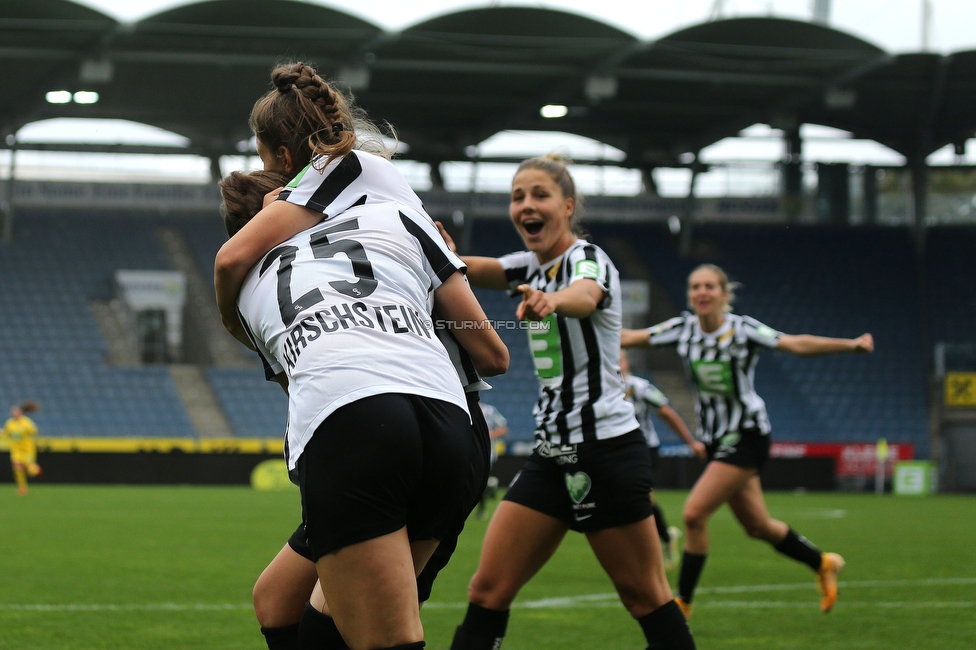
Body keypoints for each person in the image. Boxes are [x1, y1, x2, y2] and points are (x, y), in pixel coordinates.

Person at [215, 62, 509, 650]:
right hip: (449, 418)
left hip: (364, 418)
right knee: (288, 601)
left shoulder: (347, 186)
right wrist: (410, 314)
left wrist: (241, 323)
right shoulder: (393, 214)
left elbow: (229, 260)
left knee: (374, 637)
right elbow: (491, 347)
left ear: (283, 156)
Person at [438, 154, 695, 650]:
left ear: (567, 206)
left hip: (605, 449)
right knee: (487, 590)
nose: (526, 206)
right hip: (552, 452)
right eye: (517, 197)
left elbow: (584, 295)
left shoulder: (586, 259)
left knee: (645, 596)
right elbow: (479, 269)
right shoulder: (531, 264)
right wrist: (430, 251)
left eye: (539, 195)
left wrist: (551, 301)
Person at [621, 263, 874, 617]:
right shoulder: (682, 329)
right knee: (757, 526)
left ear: (725, 294)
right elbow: (628, 338)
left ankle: (683, 602)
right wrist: (566, 319)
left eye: (710, 286)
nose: (702, 293)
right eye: (695, 287)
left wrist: (849, 346)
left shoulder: (743, 330)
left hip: (748, 435)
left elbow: (794, 344)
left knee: (694, 514)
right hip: (715, 439)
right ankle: (823, 562)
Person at [619, 350, 705, 569]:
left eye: (619, 359)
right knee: (628, 500)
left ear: (627, 363)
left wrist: (691, 442)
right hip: (615, 451)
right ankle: (664, 537)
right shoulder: (599, 388)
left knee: (640, 497)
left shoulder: (640, 387)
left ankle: (653, 546)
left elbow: (667, 413)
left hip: (643, 450)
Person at [2, 401, 42, 496]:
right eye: (13, 412)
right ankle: (22, 488)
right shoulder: (9, 423)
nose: (14, 413)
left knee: (30, 470)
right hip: (16, 450)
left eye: (16, 412)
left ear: (20, 413)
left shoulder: (26, 422)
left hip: (27, 450)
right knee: (17, 467)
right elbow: (4, 434)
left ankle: (37, 470)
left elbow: (35, 431)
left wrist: (30, 430)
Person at [475, 402, 508, 519]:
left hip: (487, 452)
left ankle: (481, 509)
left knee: (480, 481)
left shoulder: (490, 411)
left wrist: (488, 435)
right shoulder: (462, 406)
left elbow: (503, 429)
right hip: (469, 450)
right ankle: (492, 484)